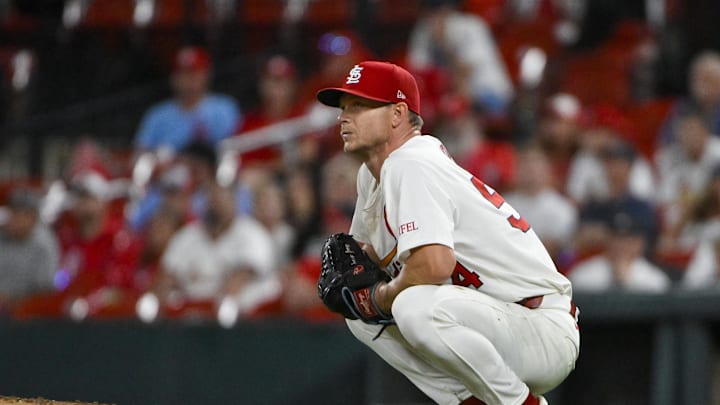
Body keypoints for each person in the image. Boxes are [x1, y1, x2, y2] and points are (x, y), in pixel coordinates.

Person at [315, 61, 578, 405]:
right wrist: (362, 287)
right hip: (489, 321)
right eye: (344, 108)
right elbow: (370, 262)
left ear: (397, 114)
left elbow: (434, 265)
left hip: (538, 324)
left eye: (359, 106)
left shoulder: (410, 162)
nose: (344, 117)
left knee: (411, 305)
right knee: (362, 318)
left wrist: (378, 296)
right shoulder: (373, 174)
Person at [407, 0, 514, 116]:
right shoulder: (424, 30)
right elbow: (417, 71)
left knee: (456, 110)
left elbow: (464, 73)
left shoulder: (470, 26)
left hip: (490, 94)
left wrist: (443, 42)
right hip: (453, 94)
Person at [134, 45, 241, 154]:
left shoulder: (225, 108)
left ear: (206, 75)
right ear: (173, 78)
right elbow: (141, 152)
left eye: (195, 73)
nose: (190, 79)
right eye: (184, 74)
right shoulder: (158, 115)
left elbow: (236, 147)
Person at [568, 211, 670, 293]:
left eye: (628, 239)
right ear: (607, 239)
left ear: (639, 243)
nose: (621, 245)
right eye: (616, 238)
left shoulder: (654, 279)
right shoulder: (583, 275)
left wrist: (625, 282)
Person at [0, 189, 59, 312]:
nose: (12, 218)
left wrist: (11, 300)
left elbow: (45, 291)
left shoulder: (44, 244)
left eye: (18, 214)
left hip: (29, 316)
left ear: (32, 218)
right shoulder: (3, 236)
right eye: (12, 212)